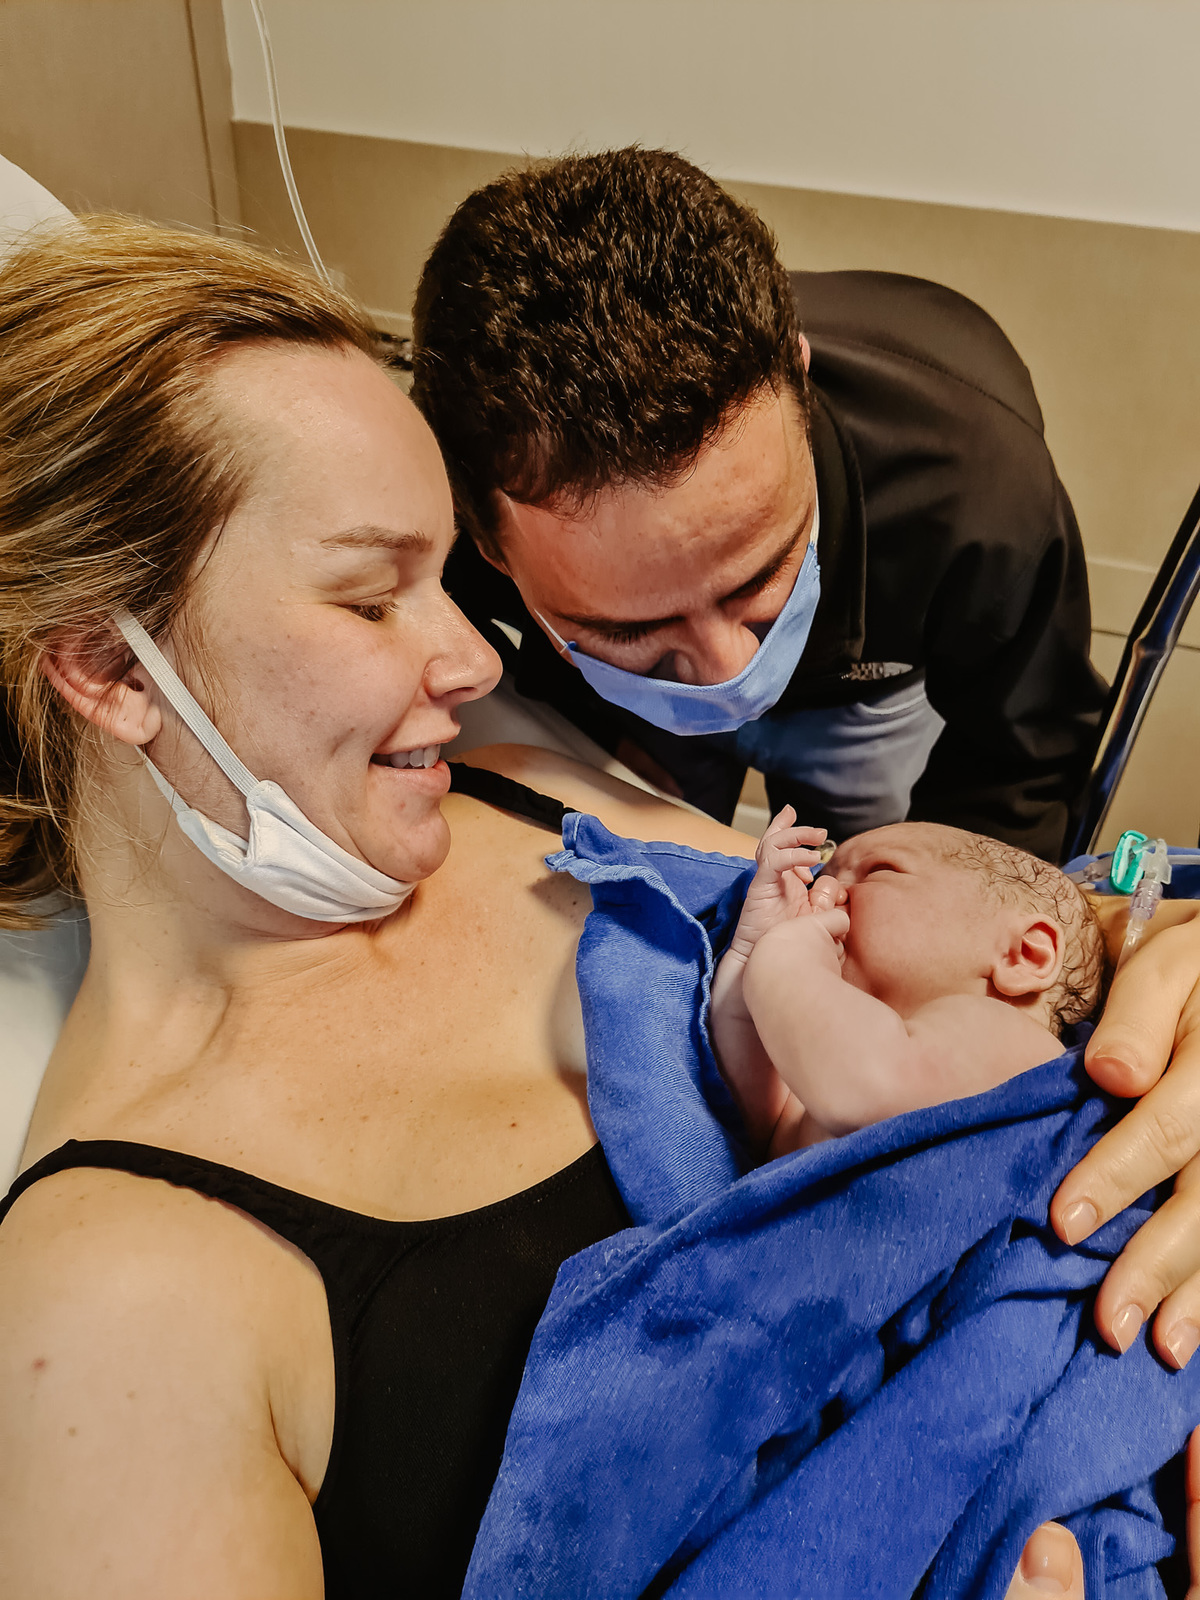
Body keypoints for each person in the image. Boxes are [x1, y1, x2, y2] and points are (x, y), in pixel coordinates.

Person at [0, 215, 1191, 1599]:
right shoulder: (109, 1313)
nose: (468, 657)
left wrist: (1164, 974)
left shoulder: (513, 790)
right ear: (109, 668)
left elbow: (1001, 965)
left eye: (447, 578)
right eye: (372, 599)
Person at [412, 146, 1106, 863]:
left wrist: (931, 898)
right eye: (630, 629)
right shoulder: (419, 497)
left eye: (758, 575)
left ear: (801, 386)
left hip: (866, 700)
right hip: (620, 715)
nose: (726, 675)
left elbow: (1021, 764)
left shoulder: (972, 476)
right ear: (487, 543)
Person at [711, 811, 1104, 1153]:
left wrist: (784, 955)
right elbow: (764, 1123)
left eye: (879, 871)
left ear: (1023, 955)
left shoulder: (1013, 1035)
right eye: (823, 876)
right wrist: (750, 955)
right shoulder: (837, 1064)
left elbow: (868, 1085)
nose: (823, 891)